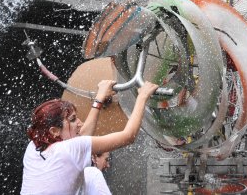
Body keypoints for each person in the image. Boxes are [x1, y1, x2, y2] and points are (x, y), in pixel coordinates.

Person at [21, 80, 159, 195]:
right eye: (73, 119)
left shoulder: (33, 146)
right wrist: (142, 97)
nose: (80, 123)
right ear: (54, 131)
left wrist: (99, 98)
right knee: (92, 174)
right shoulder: (70, 149)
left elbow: (81, 137)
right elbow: (128, 137)